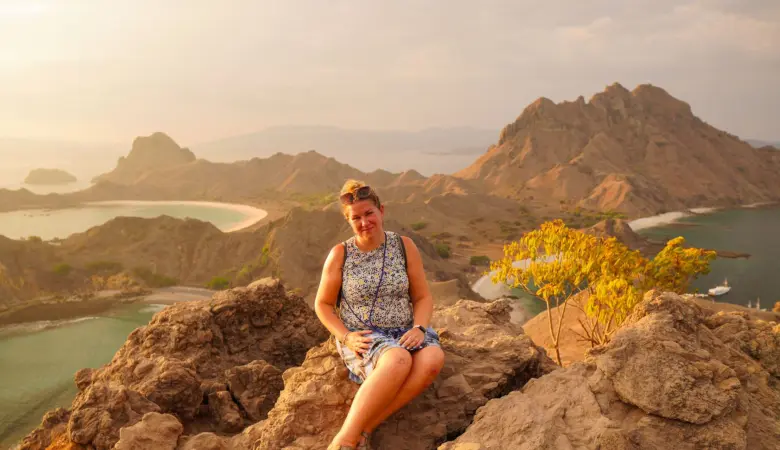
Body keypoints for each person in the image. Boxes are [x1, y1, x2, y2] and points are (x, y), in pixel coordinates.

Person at [314, 180, 445, 450]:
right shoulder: (341, 254)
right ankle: (345, 440)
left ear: (381, 211)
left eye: (369, 213)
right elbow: (323, 305)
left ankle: (368, 428)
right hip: (364, 334)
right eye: (356, 218)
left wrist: (420, 328)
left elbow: (422, 297)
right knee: (398, 360)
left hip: (405, 330)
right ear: (348, 220)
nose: (364, 222)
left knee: (433, 358)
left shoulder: (403, 246)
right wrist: (346, 337)